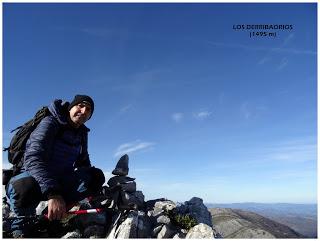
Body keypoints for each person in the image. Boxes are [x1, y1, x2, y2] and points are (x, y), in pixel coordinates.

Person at [6, 95, 105, 238]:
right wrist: (53, 194)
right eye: (80, 106)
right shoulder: (50, 122)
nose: (84, 111)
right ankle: (21, 227)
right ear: (71, 107)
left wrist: (91, 191)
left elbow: (83, 163)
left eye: (88, 110)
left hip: (60, 180)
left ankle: (50, 218)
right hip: (32, 177)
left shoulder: (82, 133)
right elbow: (33, 158)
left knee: (95, 176)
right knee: (24, 186)